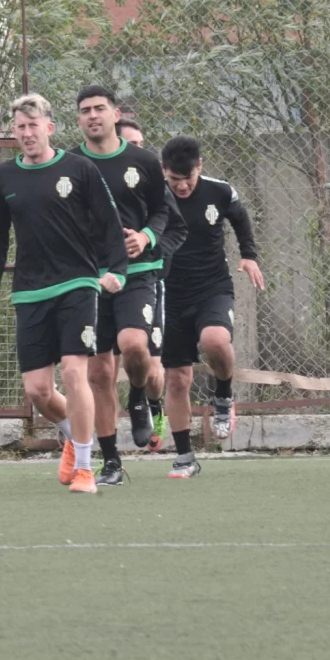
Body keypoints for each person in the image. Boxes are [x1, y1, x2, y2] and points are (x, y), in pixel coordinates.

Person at [0, 94, 127, 494]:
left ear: (50, 127)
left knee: (76, 372)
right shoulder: (3, 177)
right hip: (29, 291)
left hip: (78, 283)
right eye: (20, 127)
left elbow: (110, 224)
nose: (27, 133)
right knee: (38, 391)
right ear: (14, 132)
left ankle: (84, 468)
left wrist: (116, 271)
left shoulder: (79, 168)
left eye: (34, 125)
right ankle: (77, 437)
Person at [71, 86, 170, 486]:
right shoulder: (70, 164)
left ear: (114, 114)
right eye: (84, 111)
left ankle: (141, 396)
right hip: (88, 279)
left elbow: (164, 211)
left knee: (133, 346)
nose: (92, 115)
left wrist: (145, 236)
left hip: (137, 273)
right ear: (78, 120)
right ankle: (111, 461)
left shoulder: (142, 161)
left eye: (99, 109)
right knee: (97, 374)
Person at [161, 136, 264, 478]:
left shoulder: (219, 191)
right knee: (176, 379)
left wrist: (249, 255)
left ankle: (223, 396)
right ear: (164, 172)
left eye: (187, 178)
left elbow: (240, 218)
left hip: (212, 288)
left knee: (215, 341)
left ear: (199, 167)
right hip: (170, 294)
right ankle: (185, 457)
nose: (182, 185)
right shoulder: (154, 195)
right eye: (174, 180)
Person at [115, 117, 187, 452]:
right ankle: (89, 447)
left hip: (147, 280)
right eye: (132, 144)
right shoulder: (92, 177)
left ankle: (148, 403)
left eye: (142, 144)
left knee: (151, 366)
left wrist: (149, 243)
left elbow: (175, 228)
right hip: (100, 283)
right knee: (93, 370)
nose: (139, 151)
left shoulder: (151, 181)